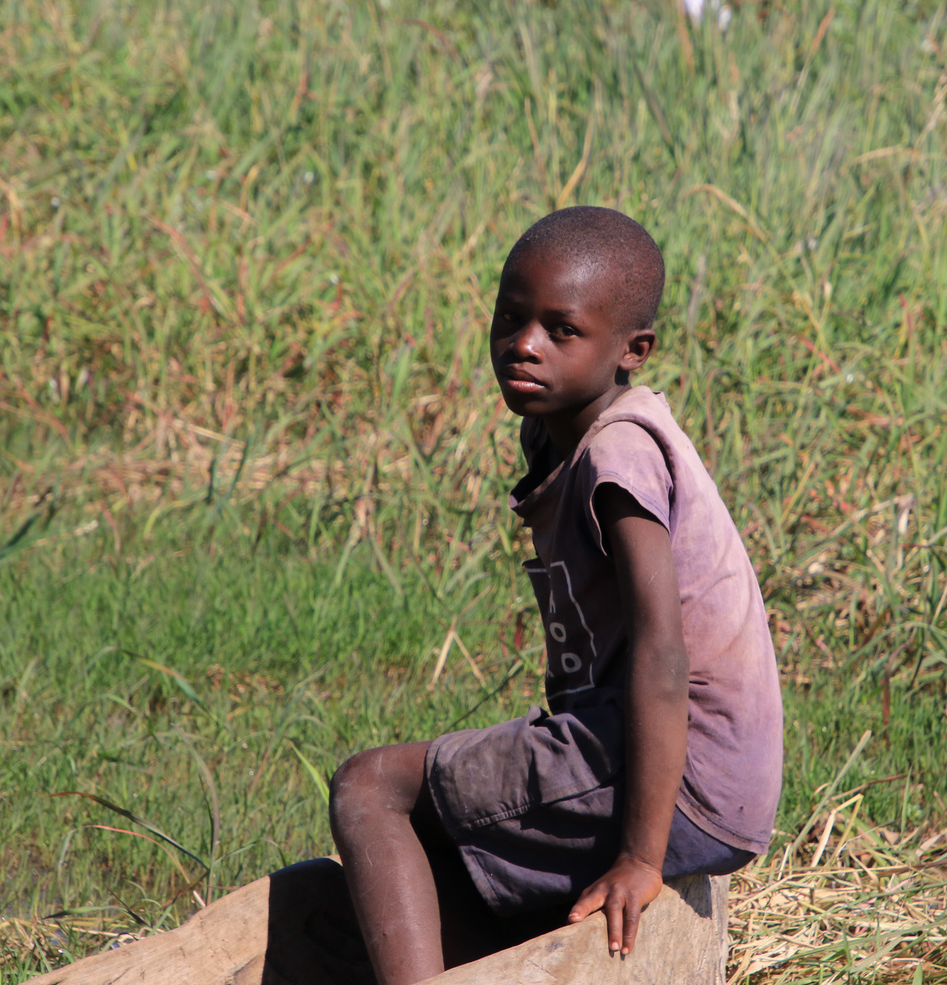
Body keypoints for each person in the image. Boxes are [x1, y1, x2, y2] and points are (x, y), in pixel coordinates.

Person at [326, 206, 784, 985]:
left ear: (632, 350)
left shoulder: (617, 458)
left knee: (371, 788)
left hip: (681, 776)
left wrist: (640, 856)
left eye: (560, 330)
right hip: (674, 766)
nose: (523, 346)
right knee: (445, 857)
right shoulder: (564, 433)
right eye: (510, 318)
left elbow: (661, 654)